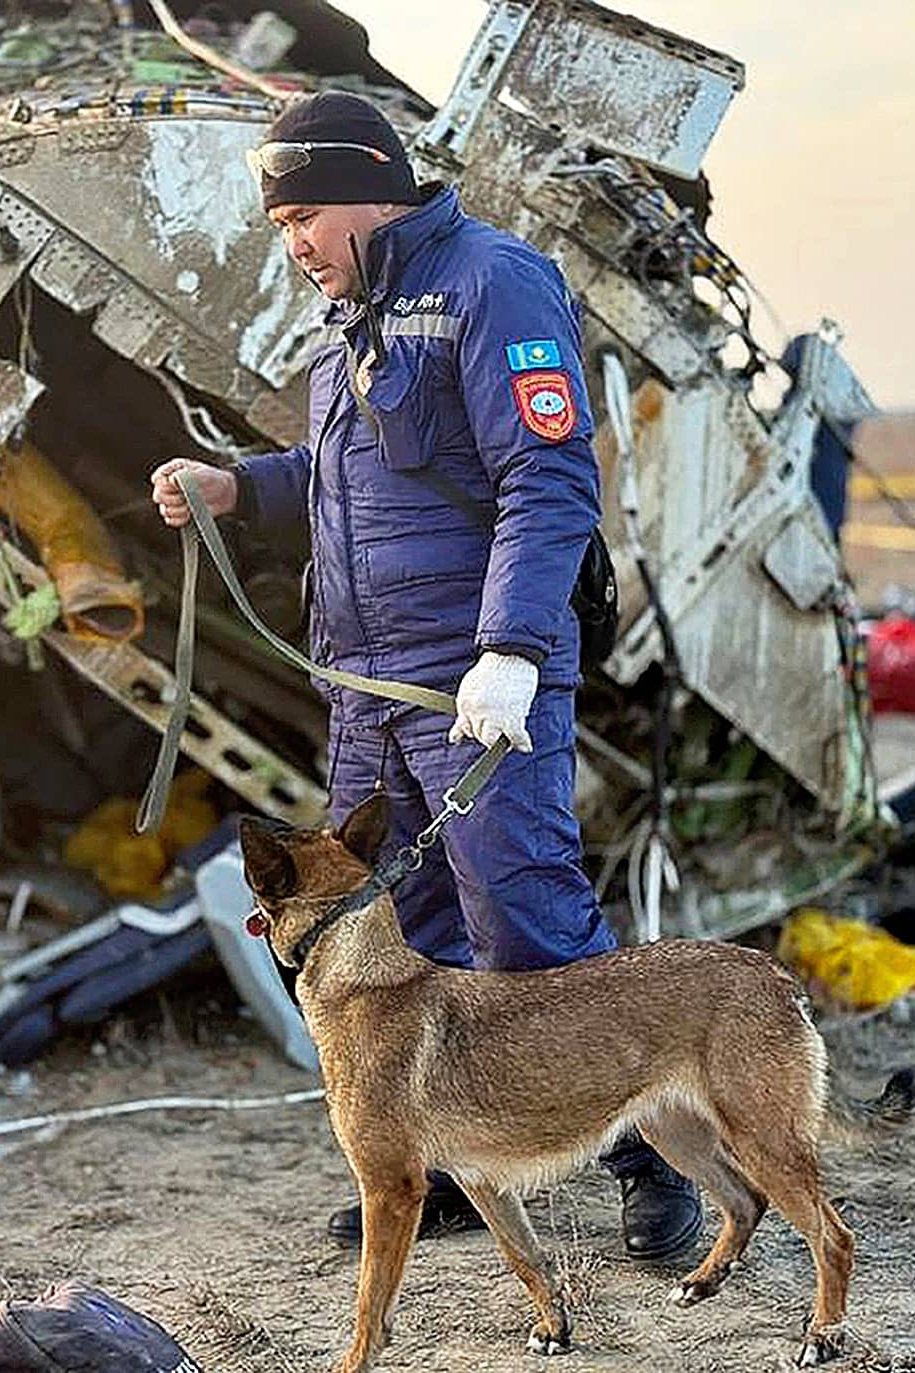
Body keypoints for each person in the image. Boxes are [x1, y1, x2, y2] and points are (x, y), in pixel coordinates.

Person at [150, 91, 701, 1261]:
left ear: (368, 187)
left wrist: (509, 648)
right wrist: (238, 486)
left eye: (303, 214)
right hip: (368, 688)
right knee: (404, 930)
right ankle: (443, 1167)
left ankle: (649, 1164)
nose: (293, 242)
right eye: (281, 223)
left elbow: (547, 478)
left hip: (470, 678)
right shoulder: (349, 318)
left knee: (526, 917)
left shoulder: (495, 283)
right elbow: (347, 476)